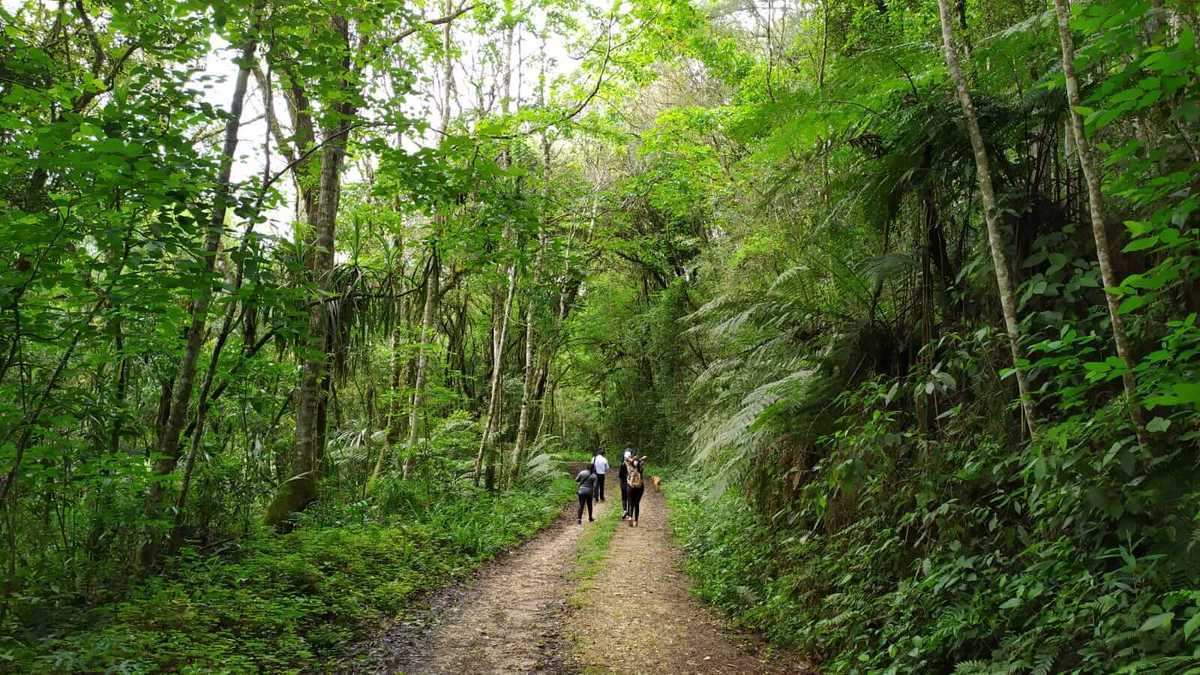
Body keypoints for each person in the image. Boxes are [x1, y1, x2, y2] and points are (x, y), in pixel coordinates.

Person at [625, 454, 646, 527]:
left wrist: (632, 460)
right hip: (640, 487)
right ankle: (636, 521)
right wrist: (640, 460)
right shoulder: (641, 467)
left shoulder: (629, 467)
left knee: (631, 503)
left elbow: (626, 459)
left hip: (630, 486)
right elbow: (645, 458)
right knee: (636, 504)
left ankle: (630, 517)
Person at [618, 448, 634, 518]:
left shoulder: (622, 465)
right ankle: (629, 513)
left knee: (624, 497)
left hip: (623, 483)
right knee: (630, 497)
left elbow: (620, 475)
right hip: (631, 483)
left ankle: (625, 510)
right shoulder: (633, 464)